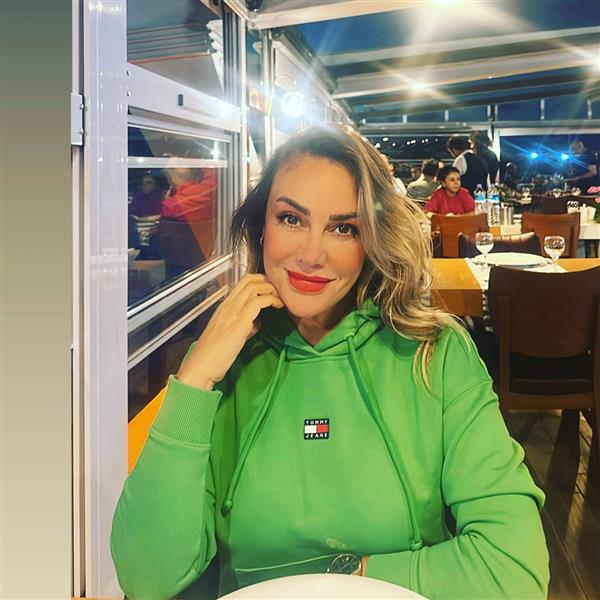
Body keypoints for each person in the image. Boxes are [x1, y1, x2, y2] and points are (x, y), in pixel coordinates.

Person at [111, 126, 549, 600]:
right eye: (291, 219)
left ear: (372, 241)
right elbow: (147, 578)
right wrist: (194, 378)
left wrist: (343, 578)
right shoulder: (222, 362)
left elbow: (514, 571)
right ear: (262, 226)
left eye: (344, 228)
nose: (311, 255)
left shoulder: (437, 354)